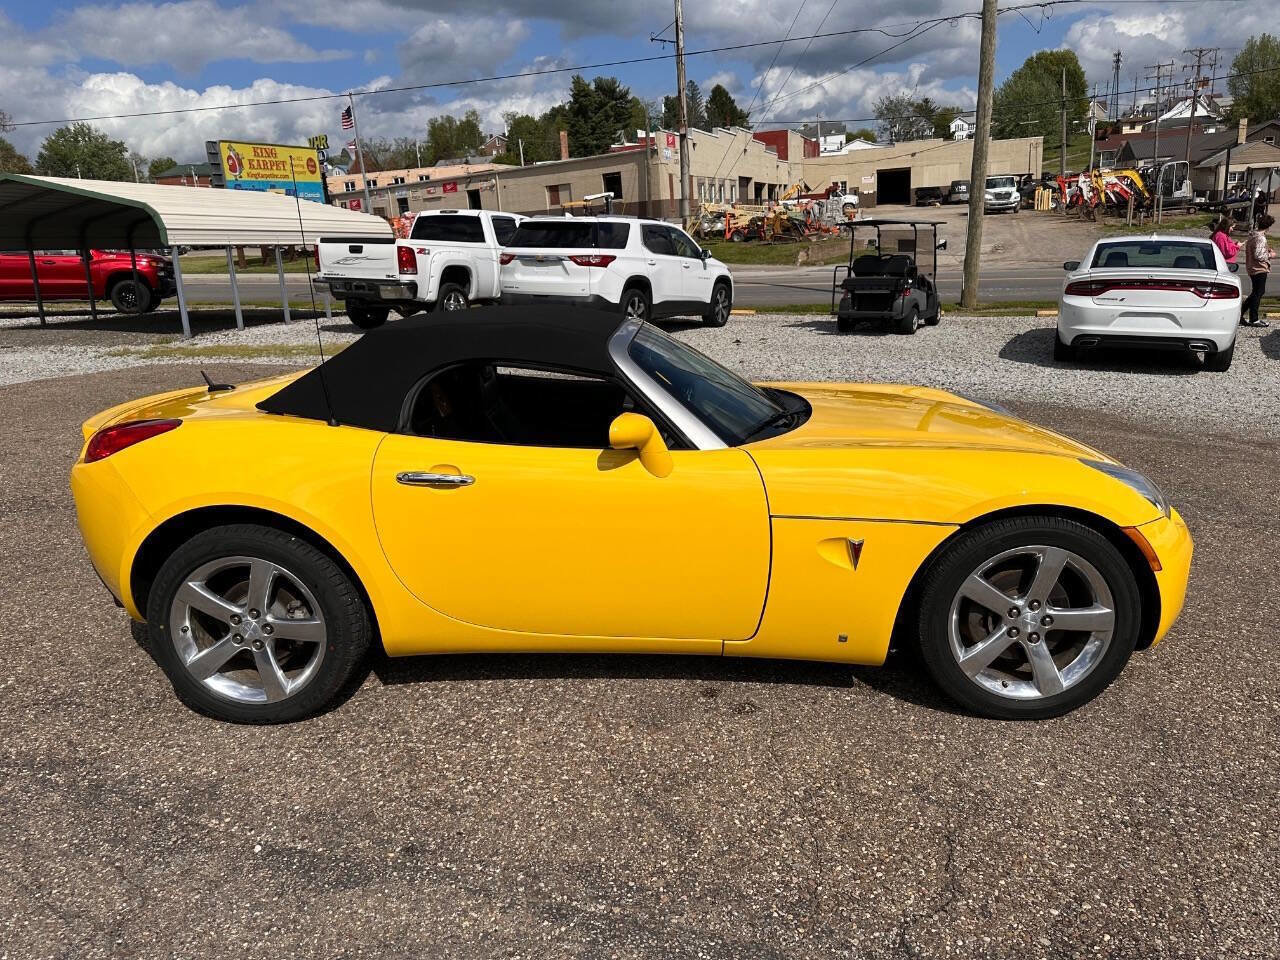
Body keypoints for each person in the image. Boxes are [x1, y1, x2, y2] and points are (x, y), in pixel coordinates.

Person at [1242, 213, 1275, 327]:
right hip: (1259, 268)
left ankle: (1241, 314)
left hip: (1252, 267)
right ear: (1268, 226)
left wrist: (1266, 250)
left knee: (1256, 292)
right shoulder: (1261, 238)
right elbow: (1259, 255)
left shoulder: (1253, 235)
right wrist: (1270, 255)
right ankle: (1254, 318)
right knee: (1258, 292)